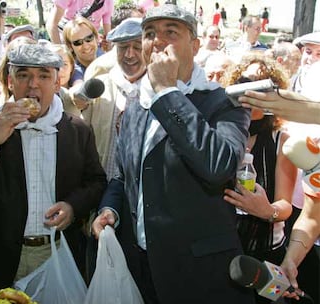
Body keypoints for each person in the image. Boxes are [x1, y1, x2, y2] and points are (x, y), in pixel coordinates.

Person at [91, 4, 255, 304]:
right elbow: (125, 173)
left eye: (171, 32)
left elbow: (219, 167)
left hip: (199, 276)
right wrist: (110, 209)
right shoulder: (136, 102)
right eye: (150, 33)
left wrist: (167, 92)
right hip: (141, 269)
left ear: (195, 45)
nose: (158, 41)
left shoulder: (223, 103)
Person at [0, 44, 107, 290]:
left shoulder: (76, 130)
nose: (33, 85)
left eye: (43, 75)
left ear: (56, 84)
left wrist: (73, 206)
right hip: (0, 259)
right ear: (10, 82)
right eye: (24, 75)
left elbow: (96, 182)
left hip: (58, 254)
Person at [221, 55, 297, 304]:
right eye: (246, 82)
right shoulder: (221, 133)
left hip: (265, 251)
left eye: (262, 85)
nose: (252, 91)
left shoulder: (281, 140)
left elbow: (286, 204)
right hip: (223, 246)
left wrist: (267, 211)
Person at [82, 18, 146, 180]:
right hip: (101, 187)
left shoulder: (159, 90)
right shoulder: (100, 87)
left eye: (138, 47)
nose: (129, 54)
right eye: (123, 47)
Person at [46, 0, 114, 47]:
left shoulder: (107, 2)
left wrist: (106, 45)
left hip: (90, 43)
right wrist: (61, 50)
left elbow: (108, 37)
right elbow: (51, 24)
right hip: (67, 41)